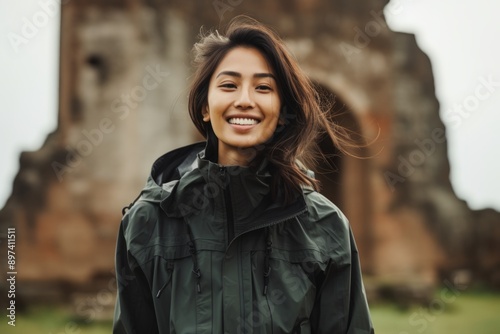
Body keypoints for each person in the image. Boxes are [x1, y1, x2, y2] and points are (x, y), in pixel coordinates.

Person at [113, 16, 374, 334]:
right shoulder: (148, 222)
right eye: (228, 85)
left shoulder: (325, 227)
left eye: (263, 87)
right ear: (205, 107)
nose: (245, 100)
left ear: (280, 111)